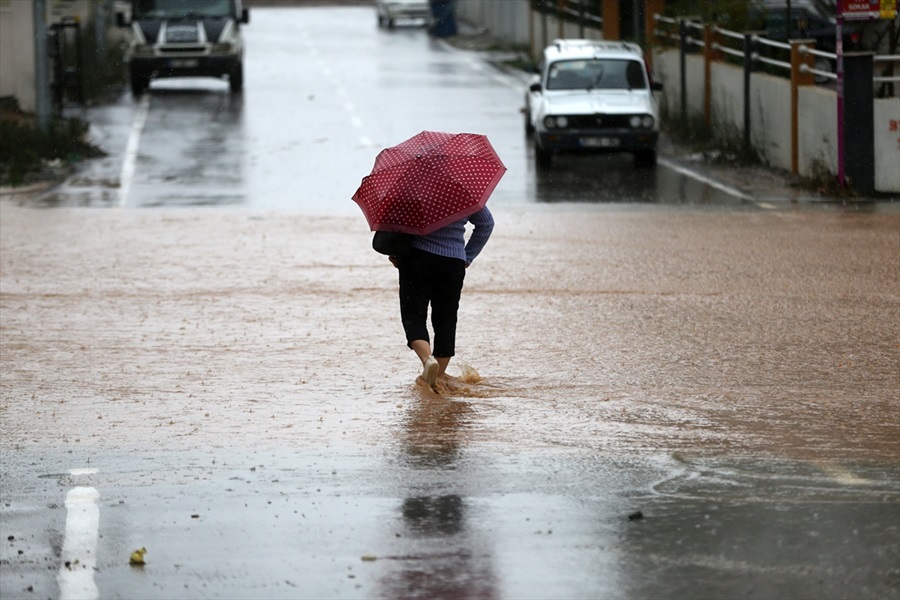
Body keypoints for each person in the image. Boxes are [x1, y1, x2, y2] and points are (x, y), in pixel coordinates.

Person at [388, 206, 494, 388]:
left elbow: (395, 225)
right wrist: (467, 256)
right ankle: (439, 376)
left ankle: (428, 360)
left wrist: (395, 253)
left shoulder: (411, 188)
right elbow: (486, 224)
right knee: (446, 320)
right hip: (452, 263)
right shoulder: (463, 190)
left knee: (413, 315)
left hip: (416, 258)